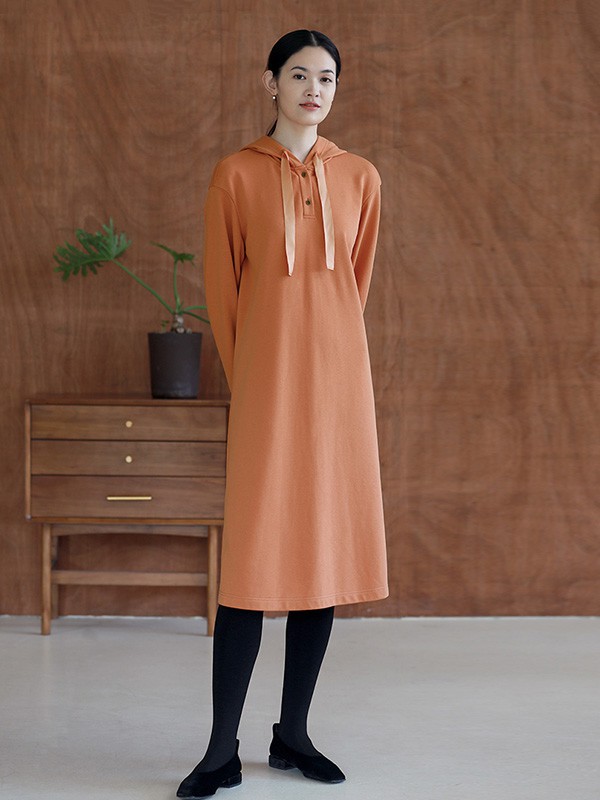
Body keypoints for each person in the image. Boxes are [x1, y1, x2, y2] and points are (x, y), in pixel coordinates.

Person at [177, 29, 389, 799]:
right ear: (271, 83)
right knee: (251, 567)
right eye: (298, 75)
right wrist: (255, 380)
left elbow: (354, 283)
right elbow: (224, 292)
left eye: (325, 77)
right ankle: (219, 752)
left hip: (338, 388)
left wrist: (329, 364)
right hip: (267, 386)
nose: (313, 89)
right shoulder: (234, 174)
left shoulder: (361, 176)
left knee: (321, 554)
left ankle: (292, 735)